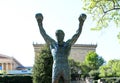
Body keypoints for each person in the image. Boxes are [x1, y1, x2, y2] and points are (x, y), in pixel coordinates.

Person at [35, 13, 86, 83]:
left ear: (63, 36)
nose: (59, 36)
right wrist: (39, 21)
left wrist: (81, 22)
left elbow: (77, 34)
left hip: (65, 67)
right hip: (56, 67)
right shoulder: (53, 44)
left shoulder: (67, 44)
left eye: (60, 35)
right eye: (57, 35)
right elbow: (43, 33)